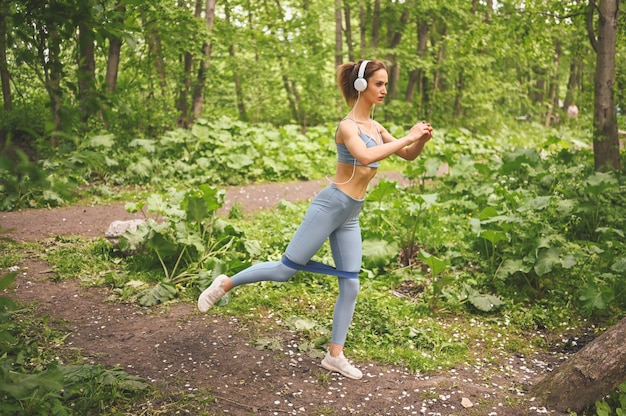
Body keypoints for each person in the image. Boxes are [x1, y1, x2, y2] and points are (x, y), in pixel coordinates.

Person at [198, 59, 433, 380]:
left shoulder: (376, 128)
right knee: (284, 271)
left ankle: (334, 356)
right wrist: (408, 136)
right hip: (330, 205)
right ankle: (225, 283)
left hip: (351, 213)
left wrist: (419, 141)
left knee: (350, 284)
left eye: (386, 84)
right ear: (362, 85)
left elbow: (405, 155)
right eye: (379, 83)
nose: (385, 90)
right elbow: (365, 157)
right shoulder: (347, 126)